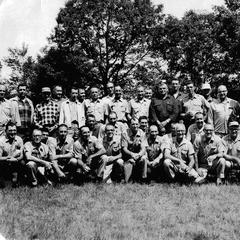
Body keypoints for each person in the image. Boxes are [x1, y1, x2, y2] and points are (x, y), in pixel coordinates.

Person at [122, 118, 147, 183]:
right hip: (128, 156)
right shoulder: (125, 133)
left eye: (136, 124)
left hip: (138, 155)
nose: (135, 126)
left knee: (144, 158)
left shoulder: (142, 133)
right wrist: (132, 154)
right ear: (129, 125)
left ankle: (143, 179)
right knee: (126, 181)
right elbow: (124, 148)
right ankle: (128, 179)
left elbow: (143, 148)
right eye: (133, 124)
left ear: (139, 124)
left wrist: (138, 155)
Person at [0, 122, 24, 187]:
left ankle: (19, 181)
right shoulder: (1, 141)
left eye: (14, 130)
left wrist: (16, 159)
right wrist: (9, 158)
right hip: (4, 163)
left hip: (16, 162)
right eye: (10, 130)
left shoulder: (19, 139)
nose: (13, 132)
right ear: (5, 131)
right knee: (4, 186)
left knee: (22, 162)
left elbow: (21, 155)